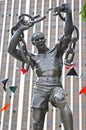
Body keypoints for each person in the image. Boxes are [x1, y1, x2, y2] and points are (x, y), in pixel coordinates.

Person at [8, 3, 74, 130]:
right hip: (40, 89)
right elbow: (11, 50)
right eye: (37, 40)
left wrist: (69, 13)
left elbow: (67, 35)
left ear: (45, 39)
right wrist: (21, 29)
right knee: (37, 122)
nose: (40, 41)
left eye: (41, 38)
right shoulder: (32, 58)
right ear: (33, 43)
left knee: (61, 99)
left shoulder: (56, 52)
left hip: (55, 86)